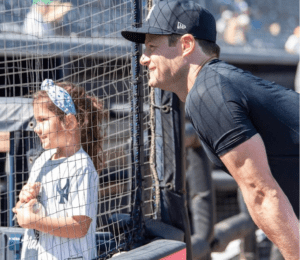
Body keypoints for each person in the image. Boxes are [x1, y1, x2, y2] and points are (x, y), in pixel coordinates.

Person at [121, 1, 299, 259]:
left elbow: (261, 192)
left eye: (151, 47)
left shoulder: (208, 93)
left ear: (186, 45)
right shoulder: (214, 84)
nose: (143, 58)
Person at [13, 79, 105, 260]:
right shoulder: (42, 161)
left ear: (69, 122)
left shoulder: (81, 167)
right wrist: (24, 201)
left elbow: (79, 227)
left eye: (43, 120)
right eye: (35, 121)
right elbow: (21, 212)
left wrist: (35, 222)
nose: (36, 128)